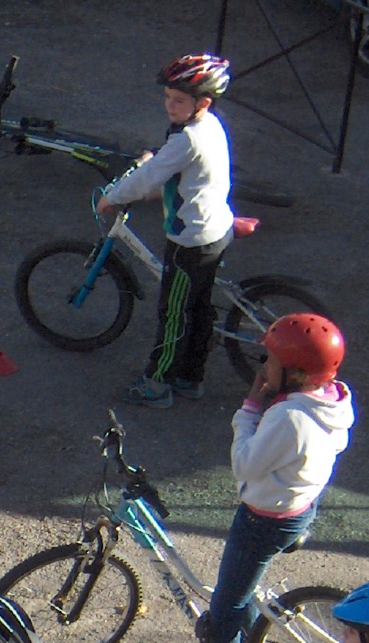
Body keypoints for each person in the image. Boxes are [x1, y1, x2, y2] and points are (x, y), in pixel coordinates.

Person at [147, 312, 355, 643]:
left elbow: (244, 464)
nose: (263, 367)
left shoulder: (289, 418)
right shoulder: (331, 399)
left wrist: (248, 412)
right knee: (239, 598)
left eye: (271, 360)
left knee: (223, 618)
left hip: (263, 522)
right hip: (298, 509)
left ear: (295, 373)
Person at [97, 54, 235, 409]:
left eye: (178, 100)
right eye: (167, 98)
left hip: (189, 242)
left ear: (201, 102)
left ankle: (157, 385)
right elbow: (173, 167)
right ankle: (191, 377)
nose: (169, 106)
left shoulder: (187, 139)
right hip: (216, 230)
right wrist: (155, 161)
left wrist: (112, 197)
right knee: (200, 310)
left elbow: (149, 176)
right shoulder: (209, 125)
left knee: (174, 314)